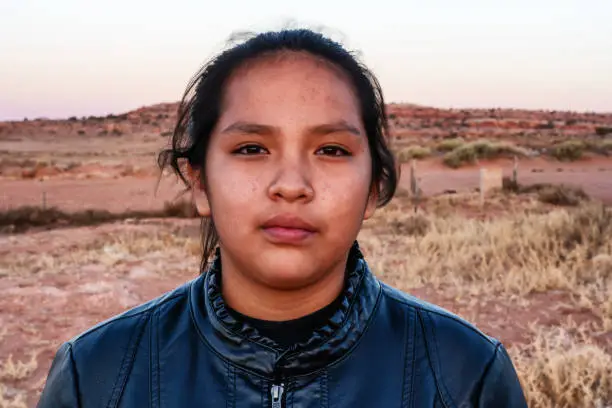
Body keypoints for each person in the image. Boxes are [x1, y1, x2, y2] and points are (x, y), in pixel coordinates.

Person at [37, 28, 527, 407]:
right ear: (200, 182)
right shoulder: (97, 374)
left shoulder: (466, 374)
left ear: (375, 188)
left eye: (331, 149)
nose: (291, 184)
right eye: (251, 148)